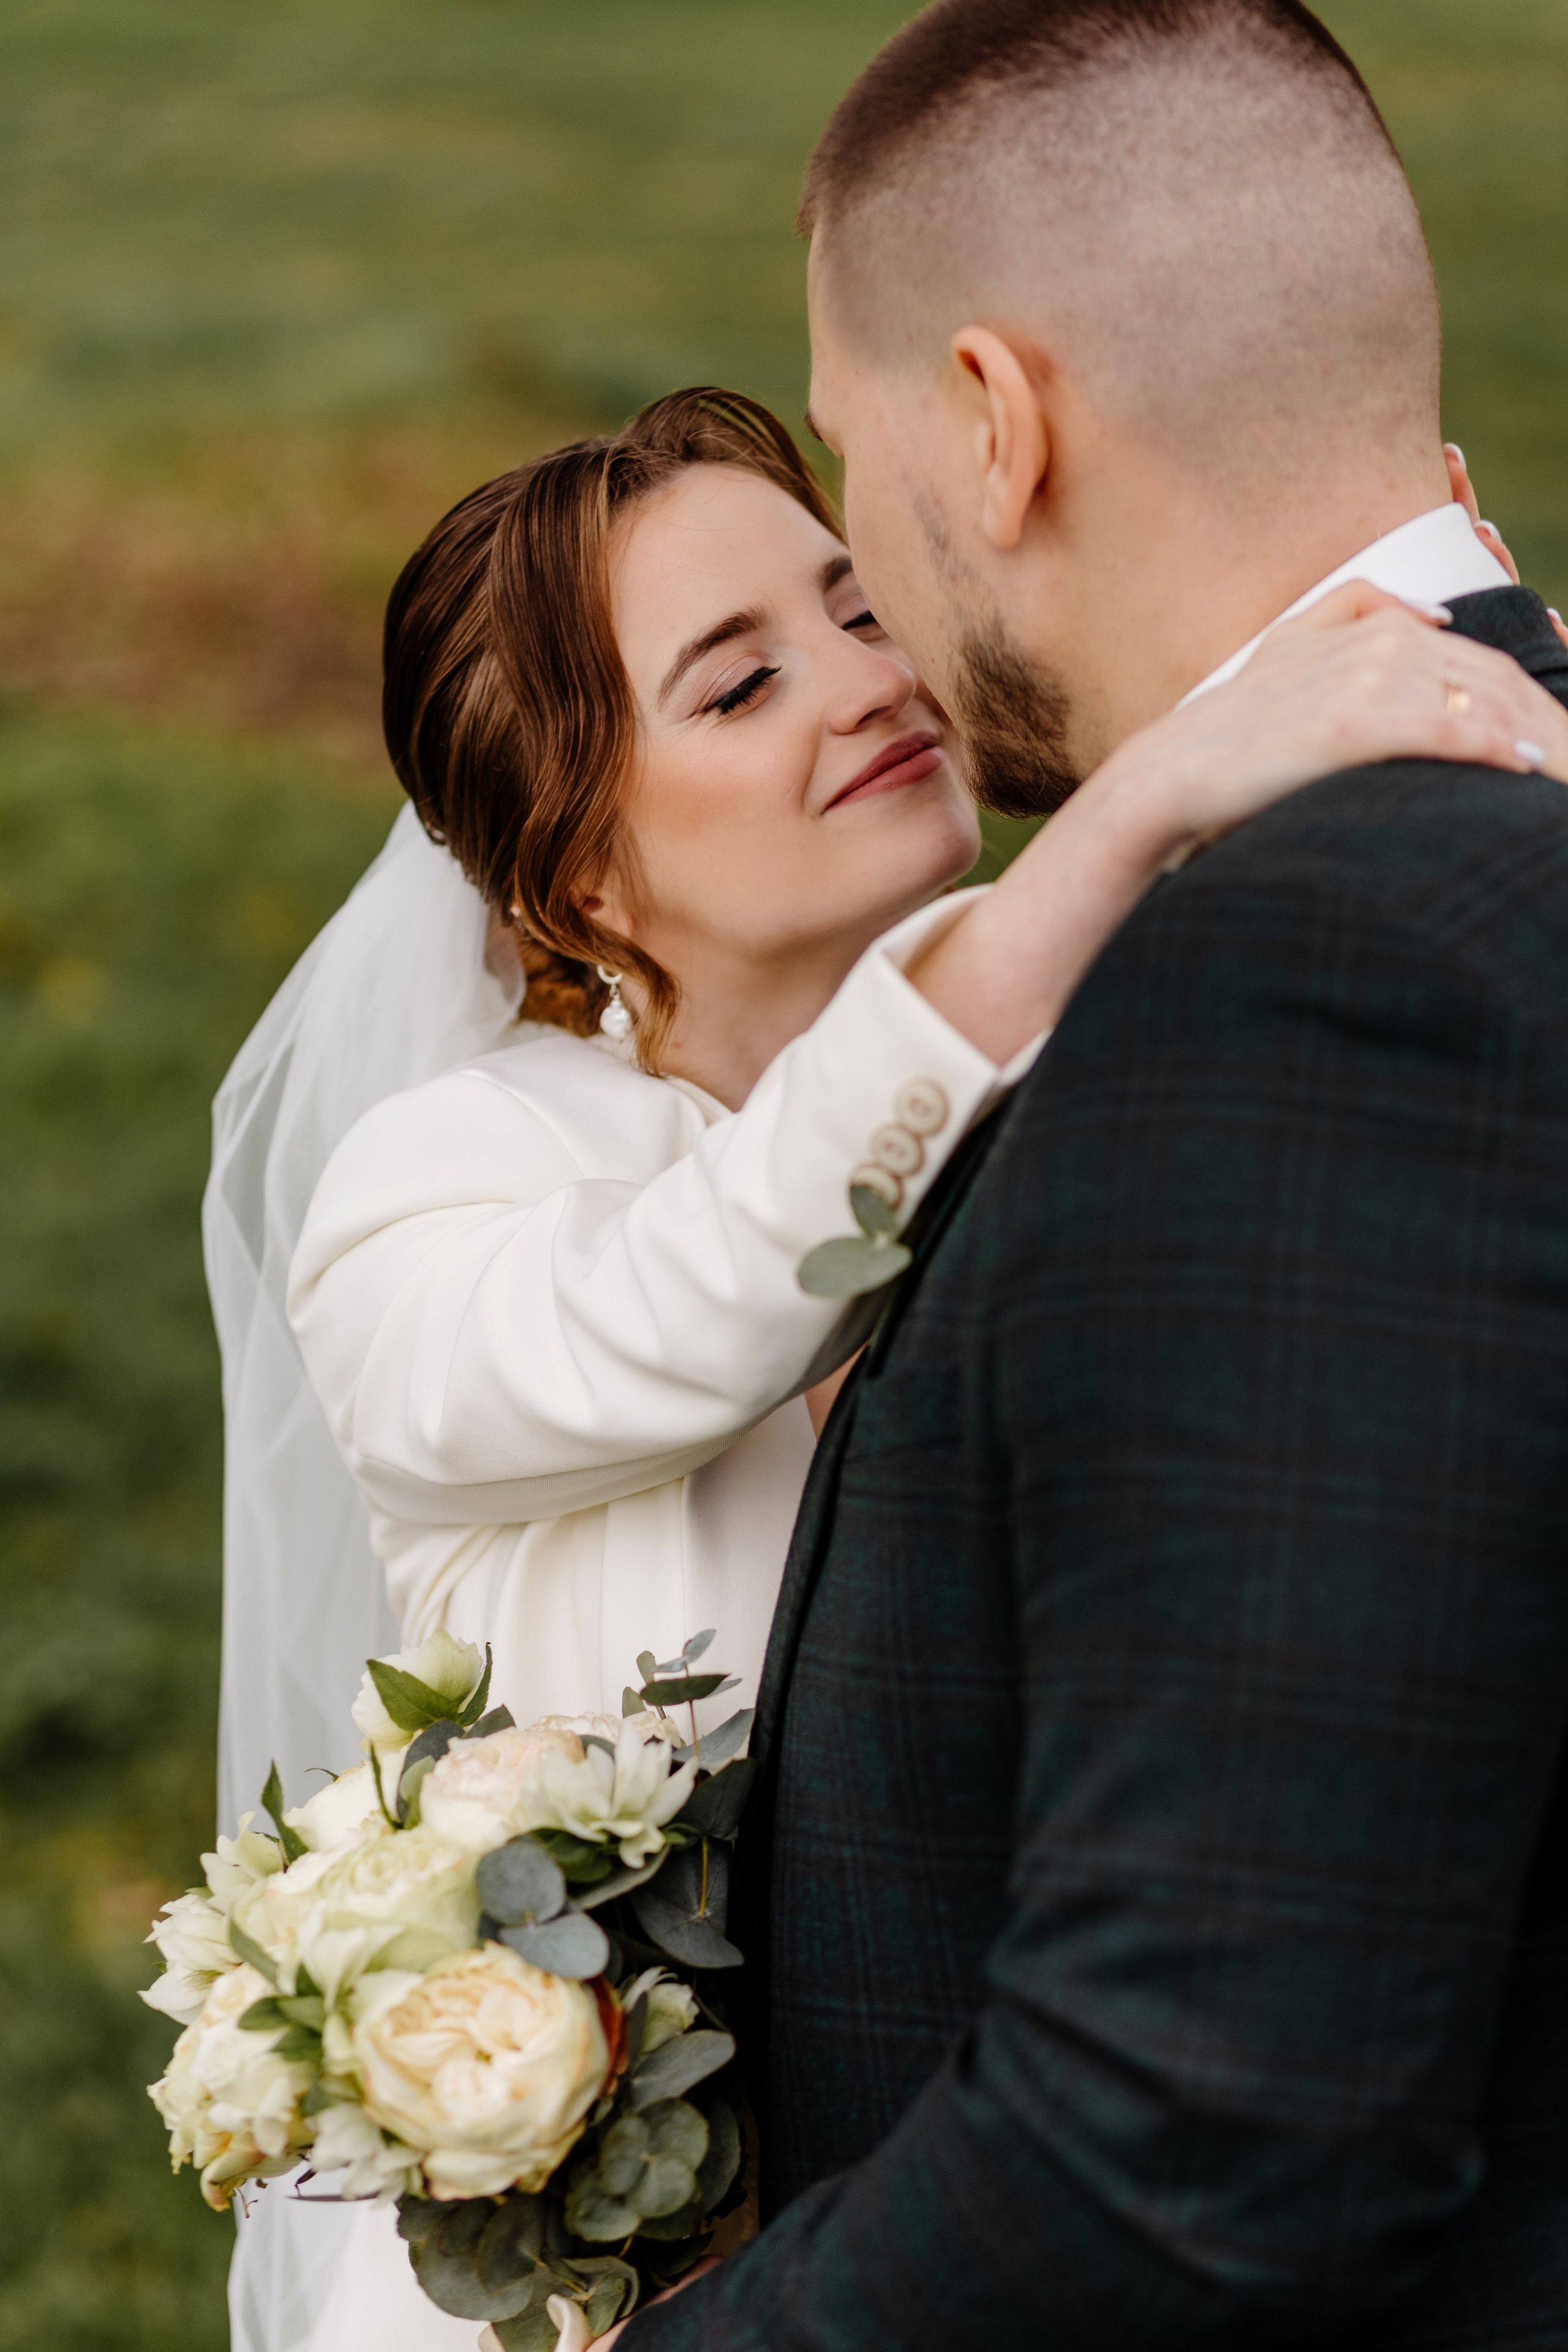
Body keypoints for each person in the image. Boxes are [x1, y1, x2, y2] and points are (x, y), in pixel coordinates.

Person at [214, 368, 1558, 2351]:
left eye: (854, 606)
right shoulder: (443, 1191)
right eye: (737, 684)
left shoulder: (1074, 1026)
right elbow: (702, 1291)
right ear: (580, 883)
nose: (870, 681)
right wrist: (1139, 802)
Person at [606, 4, 1568, 2349]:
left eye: (856, 462)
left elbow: (1198, 2144)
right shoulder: (1498, 811)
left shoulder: (1327, 962)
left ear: (996, 421)